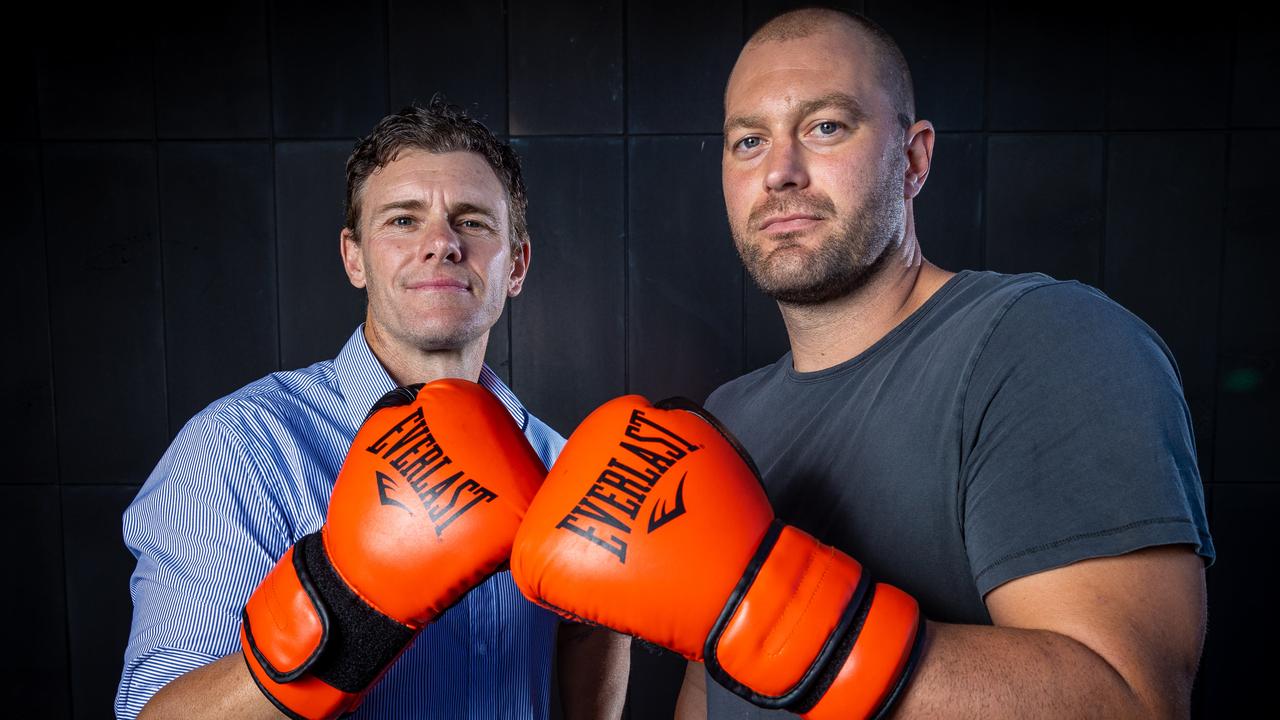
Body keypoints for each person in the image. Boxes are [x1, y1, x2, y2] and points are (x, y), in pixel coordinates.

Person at [666, 8, 1215, 718]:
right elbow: (706, 693)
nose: (780, 172)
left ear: (914, 159)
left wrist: (786, 630)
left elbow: (1130, 700)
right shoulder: (725, 418)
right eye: (748, 140)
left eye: (825, 127)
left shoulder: (1044, 343)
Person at [116, 100, 629, 720]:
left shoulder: (567, 467)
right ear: (354, 258)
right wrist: (348, 606)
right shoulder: (239, 448)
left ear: (515, 264)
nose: (440, 243)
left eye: (472, 222)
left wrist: (601, 633)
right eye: (403, 220)